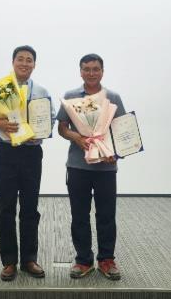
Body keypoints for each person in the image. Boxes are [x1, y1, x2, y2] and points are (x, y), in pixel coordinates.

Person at [0, 45, 55, 281]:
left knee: (30, 207)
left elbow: (50, 118)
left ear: (34, 64)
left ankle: (29, 259)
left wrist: (41, 133)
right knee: (5, 207)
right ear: (13, 62)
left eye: (29, 60)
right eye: (20, 59)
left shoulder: (42, 90)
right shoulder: (1, 88)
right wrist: (1, 124)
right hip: (6, 152)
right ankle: (9, 262)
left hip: (31, 153)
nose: (25, 63)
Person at [57, 53, 125, 281]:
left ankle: (106, 260)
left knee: (106, 215)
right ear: (80, 72)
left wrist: (114, 152)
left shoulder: (113, 97)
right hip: (78, 166)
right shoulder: (70, 96)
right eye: (86, 69)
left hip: (106, 168)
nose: (91, 73)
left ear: (102, 71)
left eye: (96, 69)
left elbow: (122, 129)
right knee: (79, 215)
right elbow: (62, 128)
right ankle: (83, 260)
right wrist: (76, 137)